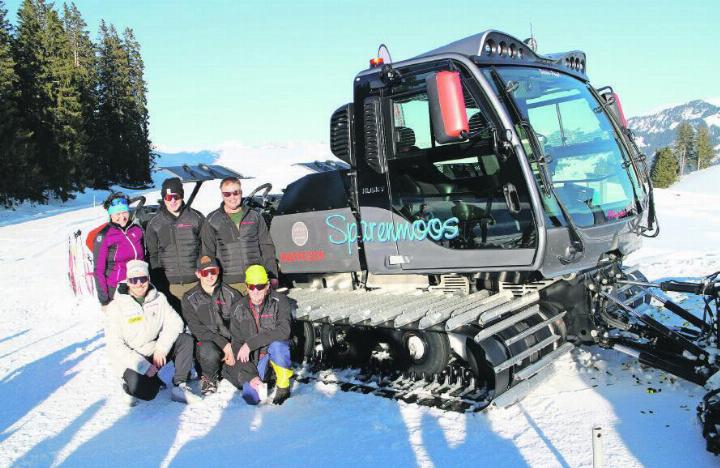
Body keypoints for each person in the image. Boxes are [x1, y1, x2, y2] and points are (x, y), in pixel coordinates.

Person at [105, 259, 200, 404]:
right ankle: (127, 386)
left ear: (148, 279)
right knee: (149, 392)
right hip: (133, 358)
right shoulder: (116, 307)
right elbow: (115, 346)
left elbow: (175, 322)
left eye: (142, 279)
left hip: (154, 349)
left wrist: (161, 348)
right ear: (128, 282)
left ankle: (179, 386)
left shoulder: (159, 298)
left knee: (185, 339)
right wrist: (144, 366)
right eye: (134, 280)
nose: (138, 284)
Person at [223, 265, 293, 405]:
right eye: (251, 286)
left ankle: (283, 384)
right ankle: (265, 376)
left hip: (274, 350)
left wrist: (250, 344)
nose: (255, 291)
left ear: (267, 286)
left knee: (278, 346)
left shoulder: (280, 301)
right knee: (252, 398)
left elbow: (285, 330)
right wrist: (252, 376)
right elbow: (237, 344)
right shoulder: (238, 308)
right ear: (246, 287)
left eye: (260, 286)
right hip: (255, 357)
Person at [200, 177, 278, 295]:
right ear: (222, 195)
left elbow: (266, 247)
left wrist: (272, 275)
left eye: (235, 193)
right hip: (228, 283)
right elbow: (207, 253)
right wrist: (210, 282)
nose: (232, 197)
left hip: (256, 281)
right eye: (227, 194)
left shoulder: (254, 216)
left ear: (241, 193)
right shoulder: (212, 219)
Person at [182, 255, 243, 395]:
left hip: (231, 345)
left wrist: (233, 347)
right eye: (205, 272)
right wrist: (224, 344)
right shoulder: (189, 298)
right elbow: (197, 330)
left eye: (213, 271)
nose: (210, 276)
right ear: (198, 274)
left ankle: (225, 370)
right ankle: (209, 377)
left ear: (218, 271)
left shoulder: (232, 294)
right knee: (208, 351)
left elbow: (241, 325)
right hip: (208, 346)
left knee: (241, 381)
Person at [145, 177, 205, 313]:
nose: (172, 201)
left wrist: (203, 273)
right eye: (167, 197)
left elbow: (206, 248)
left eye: (175, 196)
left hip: (195, 282)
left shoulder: (196, 218)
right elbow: (153, 255)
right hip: (170, 285)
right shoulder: (155, 223)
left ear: (181, 196)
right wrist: (159, 282)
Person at [94, 193, 145, 307]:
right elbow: (98, 270)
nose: (122, 217)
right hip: (118, 289)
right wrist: (104, 300)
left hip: (140, 285)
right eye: (117, 213)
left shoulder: (136, 230)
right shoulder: (104, 236)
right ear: (111, 215)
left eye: (124, 212)